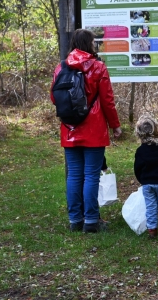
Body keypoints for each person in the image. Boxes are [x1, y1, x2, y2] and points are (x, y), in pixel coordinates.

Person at [51, 28, 122, 233]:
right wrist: (115, 125)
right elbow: (107, 101)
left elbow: (54, 97)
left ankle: (75, 220)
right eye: (93, 42)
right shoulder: (98, 67)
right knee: (91, 175)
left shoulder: (61, 67)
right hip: (94, 128)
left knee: (74, 174)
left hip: (70, 128)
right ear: (88, 44)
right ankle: (91, 220)